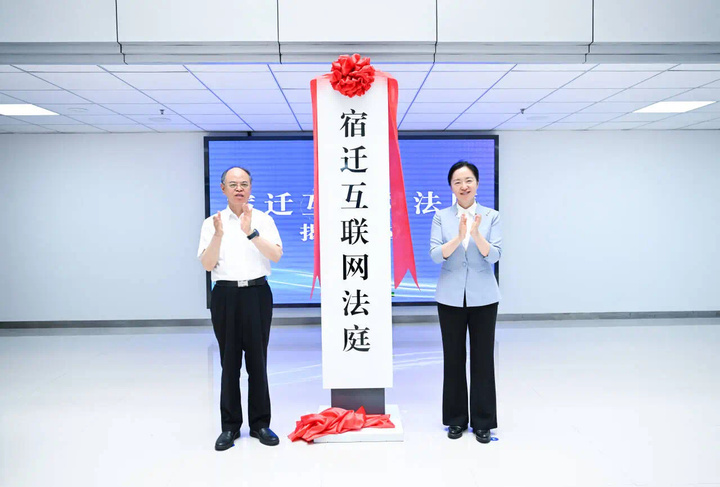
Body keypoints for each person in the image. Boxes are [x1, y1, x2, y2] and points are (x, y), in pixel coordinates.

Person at [197, 166, 283, 451]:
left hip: (257, 294)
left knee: (258, 362)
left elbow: (276, 255)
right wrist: (218, 235)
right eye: (233, 184)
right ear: (223, 188)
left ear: (250, 187)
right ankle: (230, 427)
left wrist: (251, 233)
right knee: (229, 363)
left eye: (244, 184)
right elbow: (207, 264)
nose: (239, 189)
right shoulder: (212, 223)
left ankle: (260, 424)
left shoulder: (263, 219)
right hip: (225, 296)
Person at [429, 160, 502, 444]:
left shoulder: (491, 216)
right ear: (451, 186)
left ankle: (483, 422)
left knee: (483, 359)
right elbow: (436, 255)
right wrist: (459, 238)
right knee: (454, 358)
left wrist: (475, 234)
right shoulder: (441, 217)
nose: (464, 186)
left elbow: (494, 255)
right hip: (450, 298)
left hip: (484, 298)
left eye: (468, 180)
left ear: (477, 184)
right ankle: (456, 419)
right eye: (457, 181)